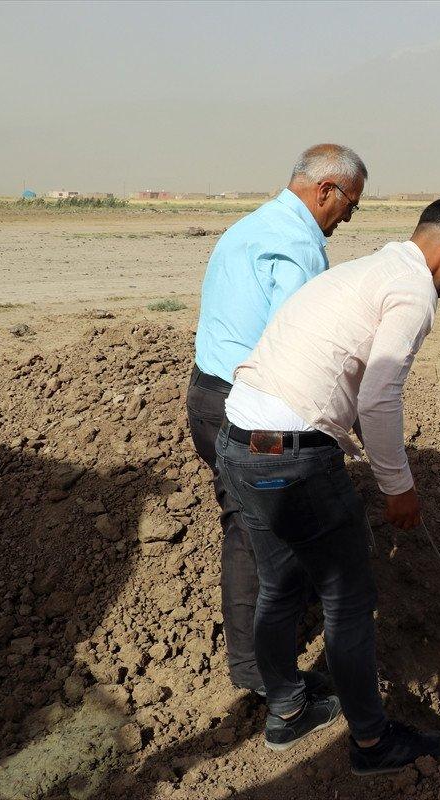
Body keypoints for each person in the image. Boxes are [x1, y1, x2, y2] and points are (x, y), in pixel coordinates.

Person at [215, 197, 440, 773]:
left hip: (239, 441)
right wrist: (398, 486)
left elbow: (345, 373)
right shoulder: (412, 293)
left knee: (280, 584)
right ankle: (372, 741)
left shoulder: (365, 270)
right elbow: (380, 394)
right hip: (293, 459)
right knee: (348, 602)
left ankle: (288, 710)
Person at [187, 144, 366, 696]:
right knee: (255, 532)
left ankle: (269, 651)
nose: (350, 217)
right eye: (350, 204)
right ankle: (260, 676)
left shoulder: (250, 226)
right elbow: (305, 352)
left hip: (207, 398)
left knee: (258, 524)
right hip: (250, 417)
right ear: (325, 192)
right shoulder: (296, 249)